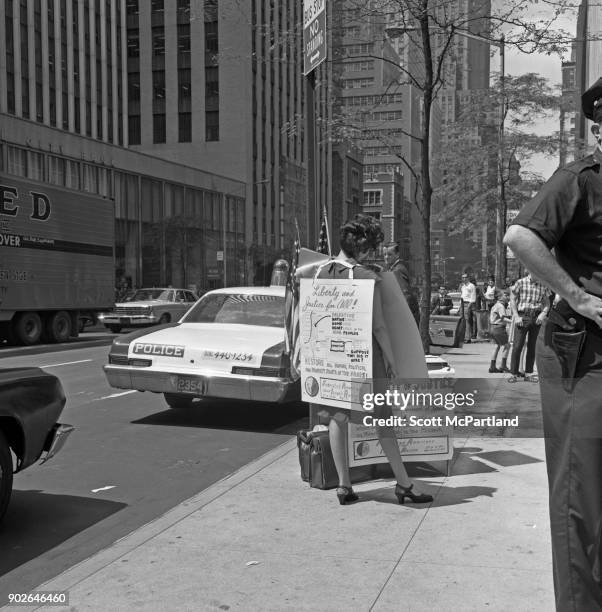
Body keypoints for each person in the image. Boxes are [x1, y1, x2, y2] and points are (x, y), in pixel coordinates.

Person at [503, 77, 602, 611]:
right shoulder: (579, 179)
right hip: (584, 355)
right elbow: (519, 237)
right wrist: (577, 296)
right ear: (599, 126)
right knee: (580, 499)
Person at [314, 215, 433, 506]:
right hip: (364, 359)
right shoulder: (367, 277)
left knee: (338, 418)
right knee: (383, 421)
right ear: (363, 248)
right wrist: (392, 361)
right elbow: (378, 326)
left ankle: (344, 486)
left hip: (332, 358)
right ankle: (404, 484)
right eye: (371, 248)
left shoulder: (320, 272)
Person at [507, 270, 549, 382]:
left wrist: (543, 314)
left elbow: (547, 303)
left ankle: (529, 374)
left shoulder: (543, 285)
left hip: (536, 318)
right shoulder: (520, 282)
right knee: (517, 346)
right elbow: (512, 299)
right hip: (522, 316)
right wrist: (516, 316)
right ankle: (513, 374)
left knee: (532, 347)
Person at [383, 244, 420, 327]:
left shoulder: (397, 270)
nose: (386, 257)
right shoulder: (394, 268)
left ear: (397, 255)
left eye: (389, 254)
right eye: (384, 254)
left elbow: (406, 295)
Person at [488, 290, 511, 373]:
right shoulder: (501, 306)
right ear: (500, 297)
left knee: (497, 346)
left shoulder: (495, 305)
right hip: (499, 328)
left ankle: (492, 367)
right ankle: (503, 366)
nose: (508, 297)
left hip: (492, 327)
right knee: (507, 345)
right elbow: (502, 318)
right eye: (506, 295)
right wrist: (513, 321)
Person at [459, 273, 477, 342]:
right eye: (463, 277)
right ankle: (462, 337)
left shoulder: (471, 285)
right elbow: (462, 295)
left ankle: (468, 338)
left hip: (468, 304)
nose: (464, 279)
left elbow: (473, 297)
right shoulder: (463, 286)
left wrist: (469, 306)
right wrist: (460, 306)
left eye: (465, 277)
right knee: (461, 321)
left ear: (468, 278)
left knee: (467, 321)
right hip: (462, 304)